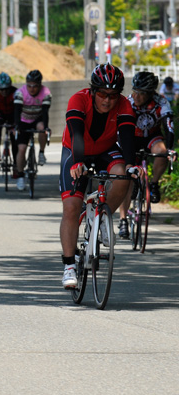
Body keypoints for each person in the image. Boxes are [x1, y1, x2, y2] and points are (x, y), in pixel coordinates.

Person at [60, 63, 139, 289]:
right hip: (76, 150)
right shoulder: (78, 100)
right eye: (103, 94)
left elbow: (126, 137)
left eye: (113, 95)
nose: (107, 100)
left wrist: (132, 164)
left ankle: (103, 217)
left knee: (122, 174)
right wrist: (77, 162)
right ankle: (68, 267)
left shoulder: (124, 105)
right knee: (72, 207)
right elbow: (75, 133)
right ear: (93, 91)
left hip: (105, 148)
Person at [117, 71, 175, 239]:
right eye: (135, 90)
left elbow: (168, 125)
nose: (136, 95)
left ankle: (154, 184)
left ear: (150, 93)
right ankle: (123, 221)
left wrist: (170, 149)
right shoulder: (128, 102)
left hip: (151, 137)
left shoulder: (161, 102)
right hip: (132, 138)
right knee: (127, 180)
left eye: (141, 93)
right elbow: (120, 128)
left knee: (162, 152)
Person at [13, 69, 52, 191]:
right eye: (29, 85)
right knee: (22, 148)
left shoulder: (45, 93)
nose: (32, 89)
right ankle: (20, 176)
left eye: (35, 86)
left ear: (40, 85)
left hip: (37, 118)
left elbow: (45, 112)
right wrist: (17, 126)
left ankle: (41, 152)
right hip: (24, 120)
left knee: (42, 128)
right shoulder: (20, 93)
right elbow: (17, 111)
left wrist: (46, 127)